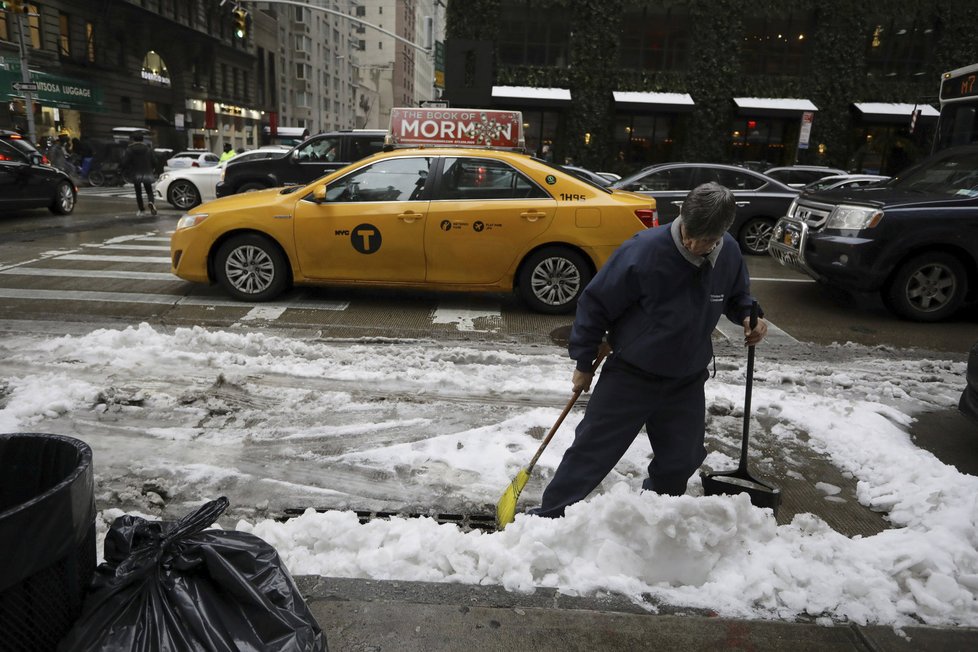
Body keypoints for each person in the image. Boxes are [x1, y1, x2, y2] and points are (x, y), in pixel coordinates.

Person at [531, 182, 769, 518]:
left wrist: (749, 315)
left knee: (681, 460)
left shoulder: (728, 252)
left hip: (686, 379)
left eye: (705, 240)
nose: (691, 243)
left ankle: (654, 518)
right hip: (631, 374)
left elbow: (736, 296)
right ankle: (550, 516)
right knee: (591, 454)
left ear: (722, 232)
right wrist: (584, 362)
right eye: (689, 232)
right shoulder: (643, 251)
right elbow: (595, 304)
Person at [121, 132, 157, 216]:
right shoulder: (148, 149)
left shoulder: (129, 150)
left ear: (133, 139)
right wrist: (153, 168)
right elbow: (155, 161)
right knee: (149, 191)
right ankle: (151, 202)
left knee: (138, 192)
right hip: (147, 172)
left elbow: (125, 162)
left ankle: (141, 210)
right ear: (142, 139)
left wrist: (124, 169)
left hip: (136, 173)